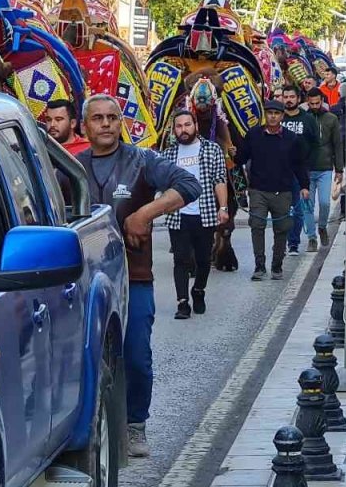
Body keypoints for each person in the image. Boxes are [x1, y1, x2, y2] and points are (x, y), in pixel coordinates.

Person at [76, 94, 200, 458]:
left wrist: (145, 213)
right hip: (84, 281)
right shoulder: (69, 166)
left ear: (121, 122)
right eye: (97, 118)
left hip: (134, 278)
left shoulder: (142, 161)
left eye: (112, 117)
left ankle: (135, 424)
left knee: (135, 356)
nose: (105, 124)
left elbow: (188, 186)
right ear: (86, 125)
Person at [160, 110, 229, 320]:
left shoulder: (211, 149)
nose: (183, 130)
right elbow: (162, 184)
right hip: (178, 215)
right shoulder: (168, 155)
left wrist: (223, 207)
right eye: (179, 126)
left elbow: (219, 179)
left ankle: (199, 290)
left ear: (196, 125)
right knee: (180, 260)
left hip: (205, 213)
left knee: (203, 259)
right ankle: (182, 303)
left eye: (187, 125)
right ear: (174, 130)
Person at [238, 100, 309, 281]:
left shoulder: (291, 139)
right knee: (257, 225)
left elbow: (299, 165)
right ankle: (259, 266)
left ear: (282, 116)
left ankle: (277, 265)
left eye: (276, 113)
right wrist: (233, 152)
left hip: (282, 191)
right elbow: (241, 158)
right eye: (269, 113)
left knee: (282, 229)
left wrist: (304, 186)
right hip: (258, 190)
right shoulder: (253, 135)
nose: (272, 116)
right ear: (265, 114)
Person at [278, 87, 318, 256]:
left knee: (298, 208)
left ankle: (293, 243)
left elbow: (315, 143)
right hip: (278, 170)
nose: (288, 100)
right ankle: (281, 242)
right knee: (281, 209)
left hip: (299, 170)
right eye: (285, 96)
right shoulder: (277, 119)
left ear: (298, 98)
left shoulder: (307, 119)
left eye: (292, 97)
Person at [303, 88, 342, 252]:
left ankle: (322, 227)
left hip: (325, 167)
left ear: (322, 101)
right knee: (307, 205)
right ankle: (311, 238)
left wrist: (339, 169)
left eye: (317, 103)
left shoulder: (331, 119)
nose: (314, 106)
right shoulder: (304, 118)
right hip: (305, 170)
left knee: (325, 203)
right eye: (311, 103)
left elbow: (337, 144)